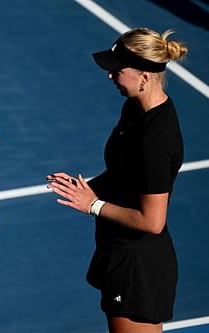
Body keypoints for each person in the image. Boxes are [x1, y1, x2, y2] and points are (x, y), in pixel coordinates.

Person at [46, 28, 188, 333]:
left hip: (138, 266)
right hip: (119, 252)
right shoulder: (134, 109)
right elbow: (122, 172)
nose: (111, 77)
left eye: (118, 71)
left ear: (144, 77)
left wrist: (93, 205)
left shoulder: (156, 137)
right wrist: (88, 188)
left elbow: (152, 221)